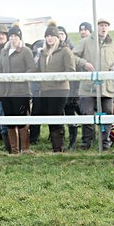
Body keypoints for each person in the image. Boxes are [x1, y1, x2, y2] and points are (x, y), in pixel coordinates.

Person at [72, 18, 114, 150]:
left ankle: (105, 142)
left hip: (106, 88)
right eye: (101, 25)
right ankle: (86, 142)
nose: (103, 28)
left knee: (107, 114)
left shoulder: (113, 45)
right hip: (88, 86)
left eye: (106, 26)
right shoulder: (85, 42)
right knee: (86, 114)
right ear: (96, 27)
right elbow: (73, 56)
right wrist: (84, 64)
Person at [0, 25, 36, 154]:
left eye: (16, 36)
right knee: (10, 122)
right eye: (11, 36)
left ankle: (24, 149)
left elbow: (31, 68)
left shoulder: (25, 51)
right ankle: (14, 150)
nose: (13, 39)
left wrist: (20, 78)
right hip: (6, 92)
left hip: (21, 92)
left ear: (20, 38)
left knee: (22, 121)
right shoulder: (4, 52)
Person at [38, 22, 75, 152]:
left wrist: (57, 78)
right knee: (49, 117)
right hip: (45, 89)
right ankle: (56, 146)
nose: (50, 38)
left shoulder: (65, 51)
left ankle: (58, 148)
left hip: (60, 89)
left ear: (57, 37)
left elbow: (70, 70)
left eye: (52, 35)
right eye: (47, 36)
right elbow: (38, 70)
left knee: (56, 115)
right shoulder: (42, 53)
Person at [58, 25, 80, 148]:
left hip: (71, 89)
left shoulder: (72, 50)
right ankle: (61, 141)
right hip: (59, 89)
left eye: (62, 33)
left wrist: (74, 90)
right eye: (58, 34)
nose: (60, 36)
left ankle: (73, 142)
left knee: (71, 115)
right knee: (60, 116)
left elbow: (74, 71)